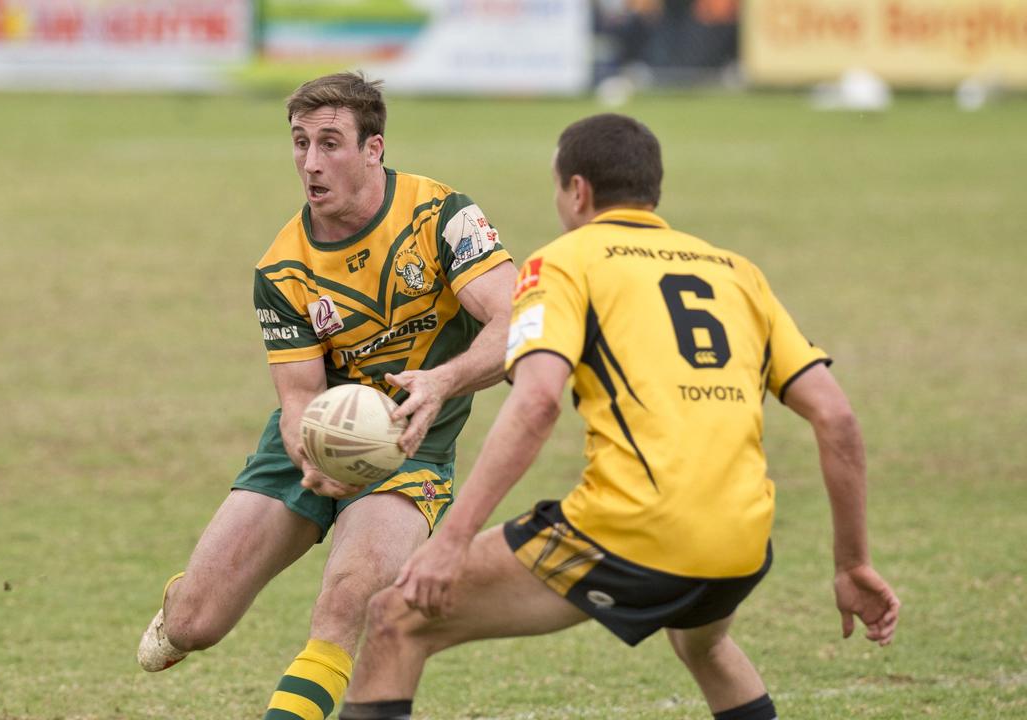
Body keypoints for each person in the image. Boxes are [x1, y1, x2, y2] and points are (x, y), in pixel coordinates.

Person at [338, 113, 900, 720]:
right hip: (741, 542)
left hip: (628, 535)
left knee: (395, 619)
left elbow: (536, 402)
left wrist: (450, 542)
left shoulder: (559, 263)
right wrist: (853, 564)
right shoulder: (737, 273)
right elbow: (837, 418)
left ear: (577, 191)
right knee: (703, 643)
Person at [136, 72, 515, 720]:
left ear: (374, 149)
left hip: (409, 455)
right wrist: (313, 454)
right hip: (314, 440)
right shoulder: (283, 268)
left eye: (330, 143)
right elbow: (297, 398)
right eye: (300, 142)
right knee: (197, 623)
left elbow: (518, 322)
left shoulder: (443, 218)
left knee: (346, 601)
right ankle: (183, 600)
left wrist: (443, 381)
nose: (311, 162)